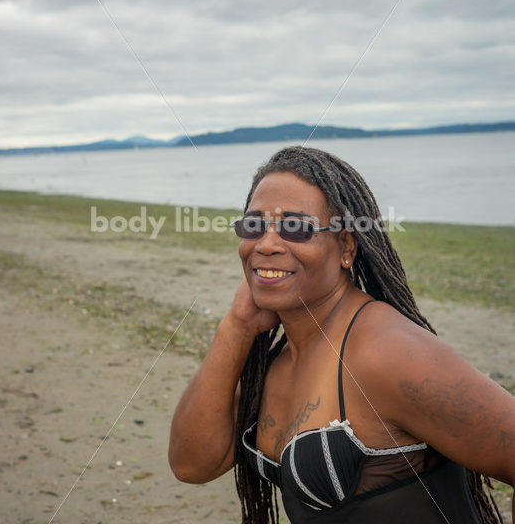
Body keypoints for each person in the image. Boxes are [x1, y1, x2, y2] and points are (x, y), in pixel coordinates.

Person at [169, 146, 515, 524]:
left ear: (345, 248)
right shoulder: (274, 361)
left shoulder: (385, 350)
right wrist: (237, 325)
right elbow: (192, 463)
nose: (266, 244)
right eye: (253, 225)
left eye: (296, 228)